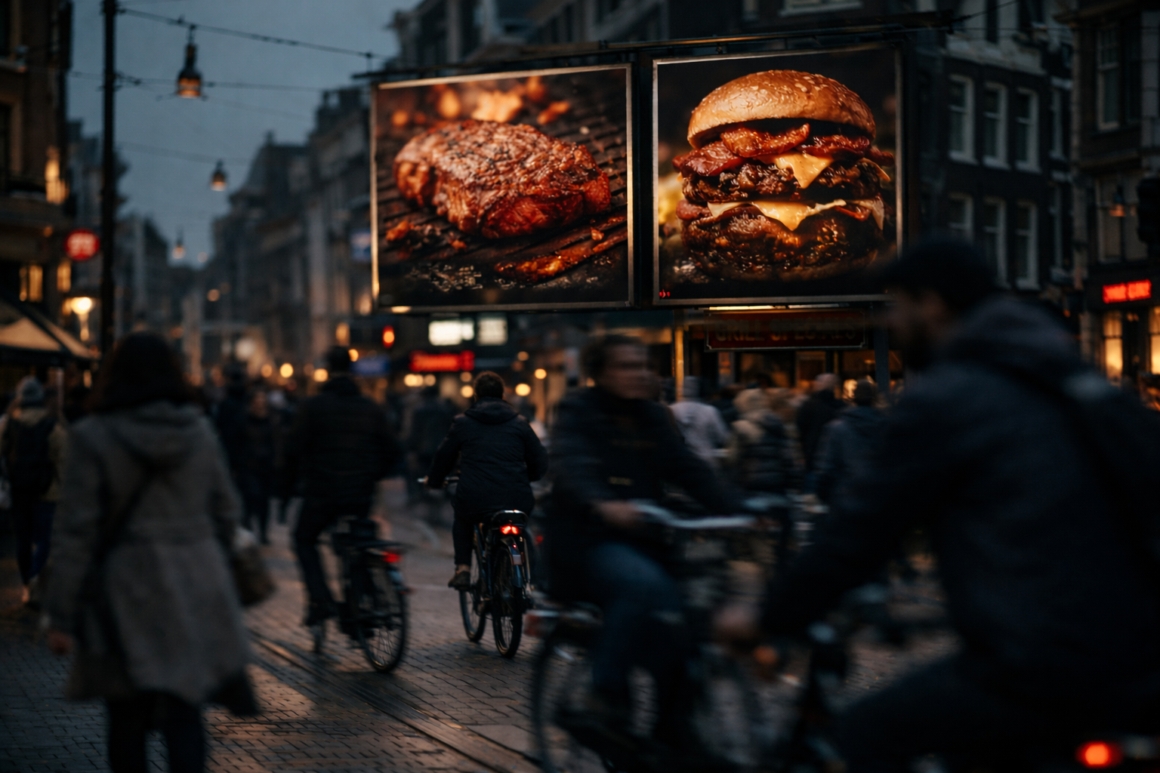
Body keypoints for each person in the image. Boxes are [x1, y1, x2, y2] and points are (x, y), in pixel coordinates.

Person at [717, 236, 1160, 772]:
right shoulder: (1076, 381)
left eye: (896, 305)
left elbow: (858, 533)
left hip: (1037, 662)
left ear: (932, 304)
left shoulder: (950, 396)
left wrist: (769, 617)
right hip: (1139, 653)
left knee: (855, 739)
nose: (890, 323)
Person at [42, 332, 251, 773]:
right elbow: (228, 513)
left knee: (127, 715)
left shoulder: (91, 436)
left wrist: (60, 616)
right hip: (195, 584)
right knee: (185, 712)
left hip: (125, 589)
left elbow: (75, 532)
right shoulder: (197, 430)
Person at [547, 334, 740, 748]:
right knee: (642, 588)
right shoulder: (578, 410)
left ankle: (674, 726)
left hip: (647, 539)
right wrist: (601, 502)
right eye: (626, 366)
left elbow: (685, 467)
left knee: (689, 621)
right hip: (588, 541)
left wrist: (739, 507)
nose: (640, 374)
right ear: (599, 373)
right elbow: (571, 464)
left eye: (643, 366)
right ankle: (606, 696)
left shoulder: (653, 417)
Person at [282, 346, 401, 626]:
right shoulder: (371, 408)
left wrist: (287, 488)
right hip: (359, 493)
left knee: (304, 539)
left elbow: (292, 451)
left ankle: (321, 599)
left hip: (321, 492)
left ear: (327, 369)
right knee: (358, 539)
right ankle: (364, 596)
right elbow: (393, 451)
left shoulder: (312, 407)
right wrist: (372, 475)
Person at [425, 371, 548, 589]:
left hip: (475, 497)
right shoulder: (520, 423)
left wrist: (434, 481)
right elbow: (539, 460)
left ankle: (462, 569)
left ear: (475, 396)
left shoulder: (463, 423)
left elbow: (444, 456)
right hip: (516, 497)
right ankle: (532, 579)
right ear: (503, 396)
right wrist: (526, 478)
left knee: (462, 520)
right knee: (521, 526)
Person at [1, 376, 67, 605]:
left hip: (19, 490)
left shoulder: (10, 423)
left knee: (22, 540)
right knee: (45, 540)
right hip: (47, 491)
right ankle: (35, 578)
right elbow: (64, 461)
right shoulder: (52, 426)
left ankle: (27, 586)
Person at [813, 380, 884, 505]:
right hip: (877, 497)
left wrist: (824, 495)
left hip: (845, 496)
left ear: (853, 398)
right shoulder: (886, 427)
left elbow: (826, 467)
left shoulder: (837, 428)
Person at [238, 389, 277, 544]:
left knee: (264, 502)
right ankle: (248, 530)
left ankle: (262, 532)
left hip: (265, 467)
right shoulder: (244, 420)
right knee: (252, 498)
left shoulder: (270, 420)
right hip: (249, 466)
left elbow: (274, 443)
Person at [405, 386, 454, 505]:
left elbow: (415, 432)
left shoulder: (419, 410)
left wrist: (411, 448)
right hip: (441, 447)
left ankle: (421, 495)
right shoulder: (445, 410)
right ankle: (441, 495)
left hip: (423, 449)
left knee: (420, 473)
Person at [669, 376, 730, 468]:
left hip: (681, 462)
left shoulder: (671, 410)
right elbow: (723, 437)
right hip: (706, 461)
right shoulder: (710, 411)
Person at [795, 372, 842, 479]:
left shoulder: (808, 406)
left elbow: (801, 430)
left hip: (812, 455)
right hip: (834, 458)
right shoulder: (840, 407)